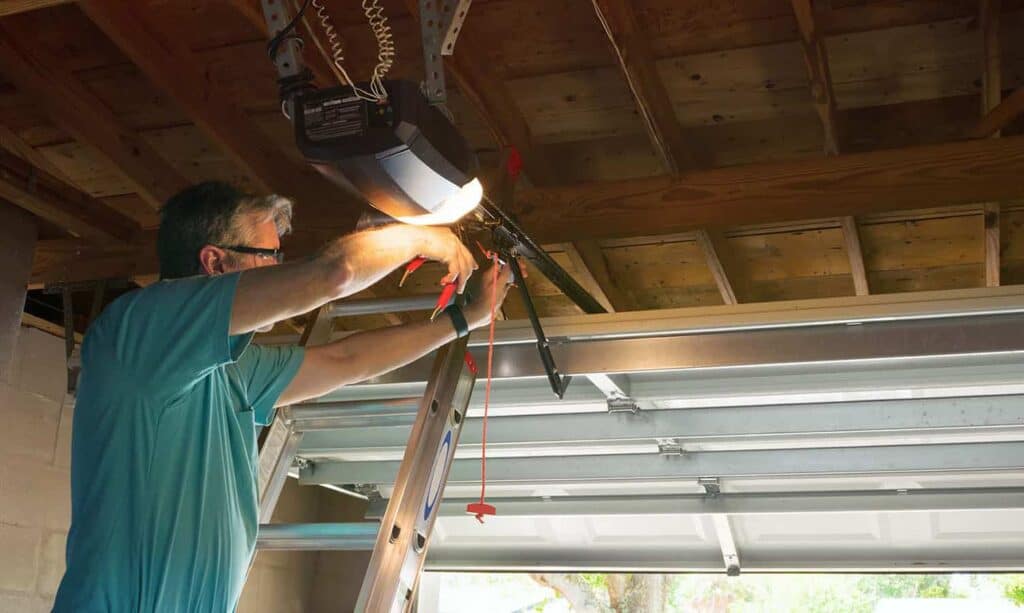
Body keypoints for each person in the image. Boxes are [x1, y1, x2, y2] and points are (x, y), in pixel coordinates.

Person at [53, 181, 512, 612]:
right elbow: (334, 273)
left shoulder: (233, 368)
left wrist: (464, 320)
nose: (277, 269)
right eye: (268, 255)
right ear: (215, 263)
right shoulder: (139, 332)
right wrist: (421, 238)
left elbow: (345, 361)